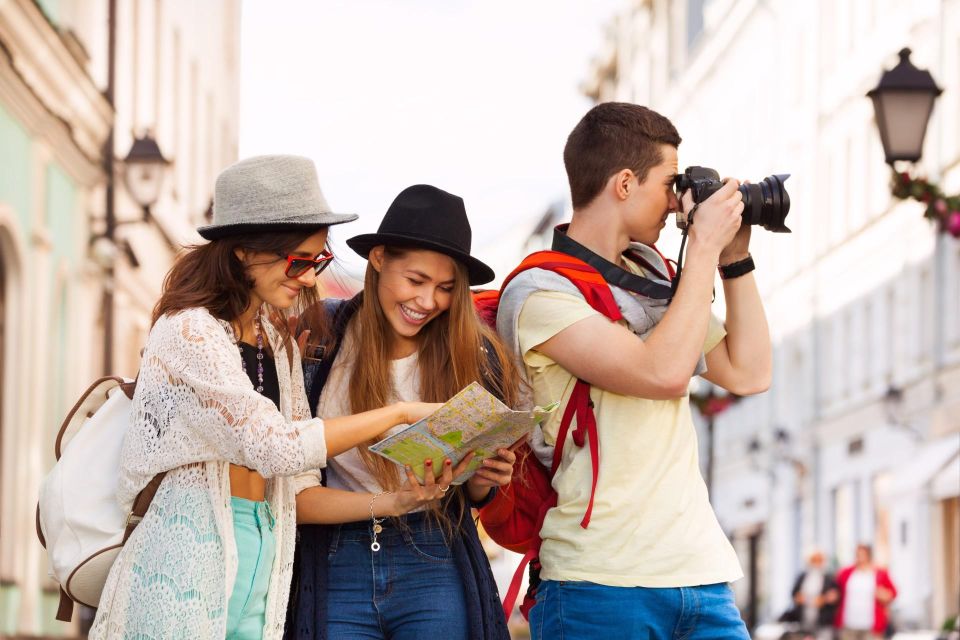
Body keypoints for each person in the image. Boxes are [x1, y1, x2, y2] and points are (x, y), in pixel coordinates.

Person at [89, 156, 440, 640]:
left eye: (317, 261)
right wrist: (398, 414)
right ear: (243, 252)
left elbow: (298, 489)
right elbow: (274, 446)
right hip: (181, 566)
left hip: (264, 572)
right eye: (299, 261)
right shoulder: (188, 331)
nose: (311, 278)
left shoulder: (275, 341)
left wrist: (397, 502)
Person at [495, 102, 772, 638]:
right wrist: (703, 251)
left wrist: (733, 260)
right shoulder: (539, 292)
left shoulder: (653, 273)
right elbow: (661, 372)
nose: (676, 202)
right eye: (669, 182)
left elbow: (748, 372)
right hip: (599, 581)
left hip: (702, 575)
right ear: (624, 183)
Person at [289, 184, 520, 640]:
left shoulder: (474, 353)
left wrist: (483, 477)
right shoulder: (319, 337)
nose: (428, 301)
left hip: (434, 551)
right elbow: (289, 463)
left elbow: (473, 497)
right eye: (416, 281)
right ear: (378, 259)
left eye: (446, 289)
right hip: (336, 554)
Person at [835, 544, 897, 640]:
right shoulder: (846, 572)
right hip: (849, 623)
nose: (859, 557)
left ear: (869, 555)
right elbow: (836, 591)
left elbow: (893, 593)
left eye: (862, 554)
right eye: (857, 554)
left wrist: (884, 595)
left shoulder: (879, 573)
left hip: (871, 625)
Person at [782, 551, 840, 639]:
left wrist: (824, 599)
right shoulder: (802, 576)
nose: (816, 563)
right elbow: (794, 594)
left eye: (819, 560)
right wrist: (799, 598)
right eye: (814, 560)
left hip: (823, 621)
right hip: (804, 621)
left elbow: (835, 596)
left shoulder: (829, 578)